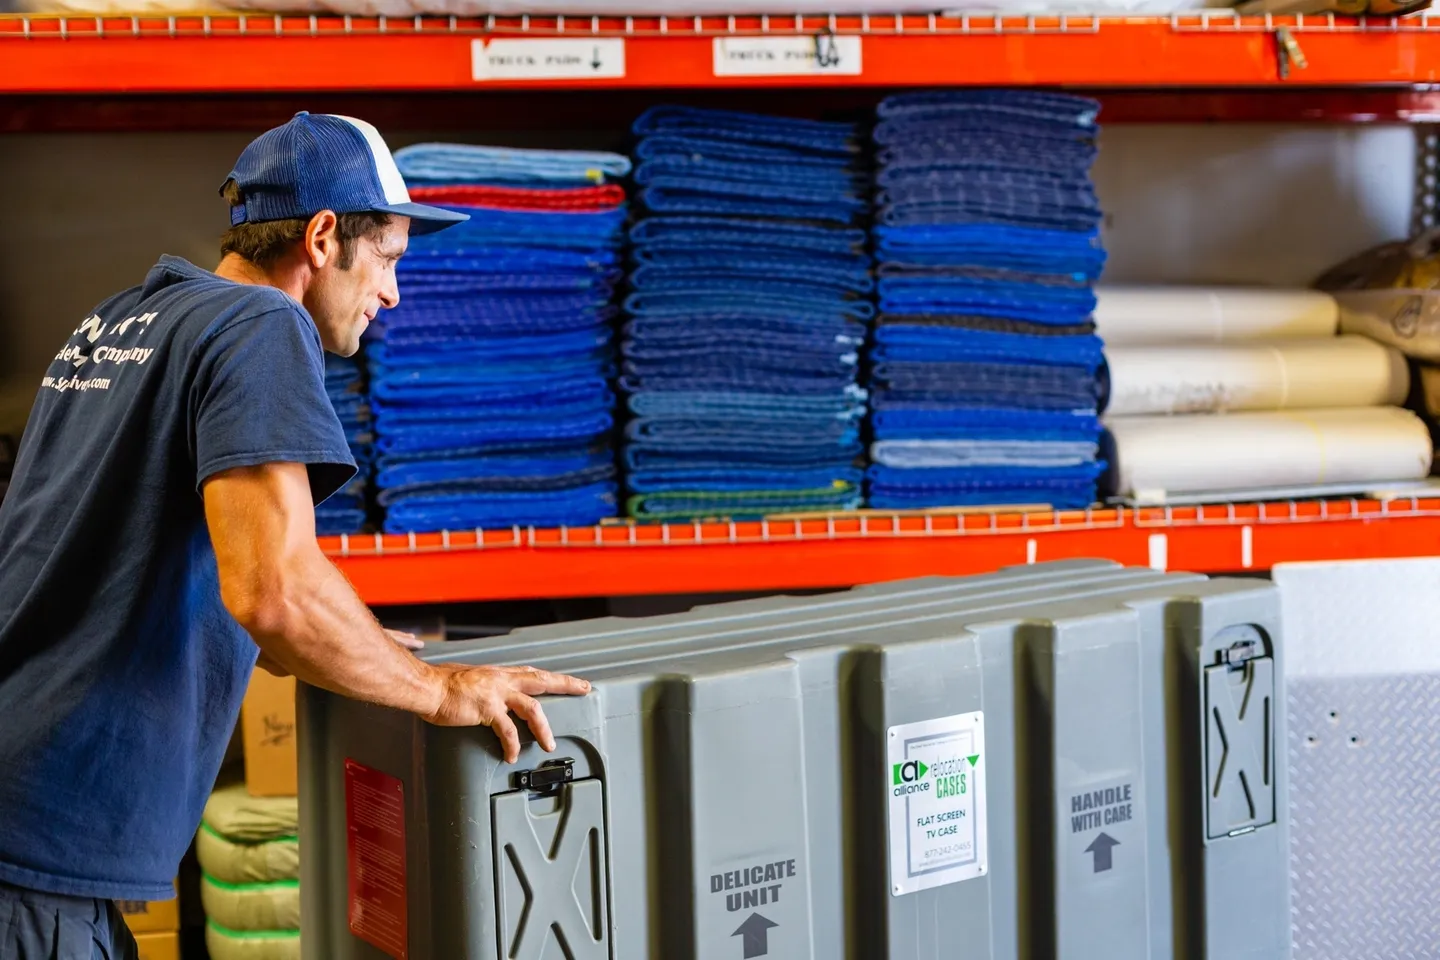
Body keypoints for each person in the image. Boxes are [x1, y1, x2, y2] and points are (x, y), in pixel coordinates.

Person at [0, 112, 590, 959]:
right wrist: (438, 690)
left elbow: (157, 558)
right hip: (39, 864)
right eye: (386, 259)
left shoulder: (119, 322)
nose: (393, 293)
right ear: (322, 238)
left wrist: (355, 644)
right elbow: (273, 591)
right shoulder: (260, 326)